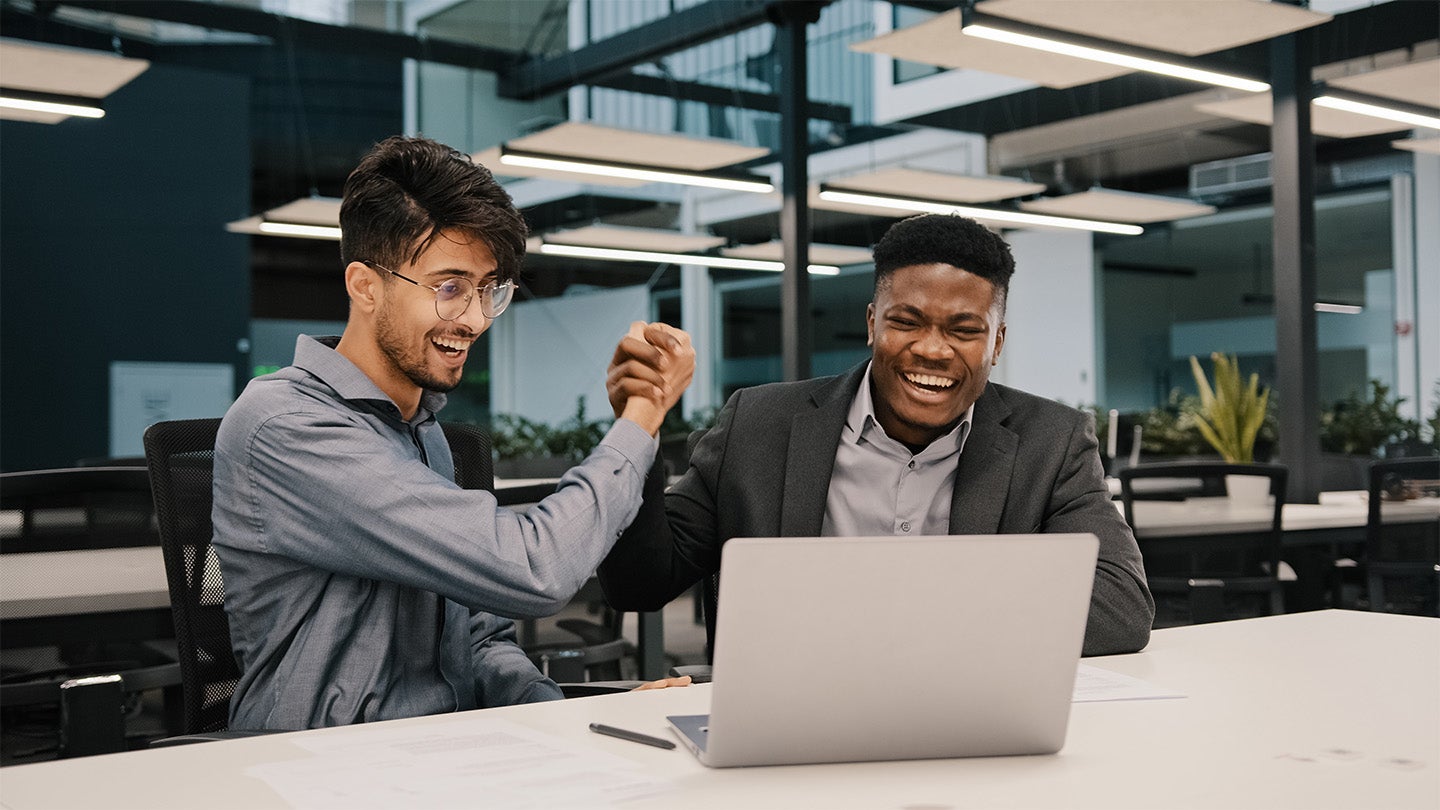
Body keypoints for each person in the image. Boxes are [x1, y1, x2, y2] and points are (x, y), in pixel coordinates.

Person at [212, 136, 694, 731]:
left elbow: (478, 635)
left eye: (488, 289)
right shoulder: (287, 425)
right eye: (448, 287)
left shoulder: (420, 432)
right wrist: (642, 417)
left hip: (442, 754)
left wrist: (566, 721)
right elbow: (531, 568)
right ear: (365, 286)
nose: (471, 319)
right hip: (321, 770)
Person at [600, 213, 1154, 657]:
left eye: (964, 331)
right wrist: (638, 426)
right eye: (907, 322)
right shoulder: (758, 425)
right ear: (872, 323)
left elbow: (1120, 607)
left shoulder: (1050, 441)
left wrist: (898, 615)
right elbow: (639, 584)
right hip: (786, 718)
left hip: (966, 716)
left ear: (997, 344)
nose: (933, 350)